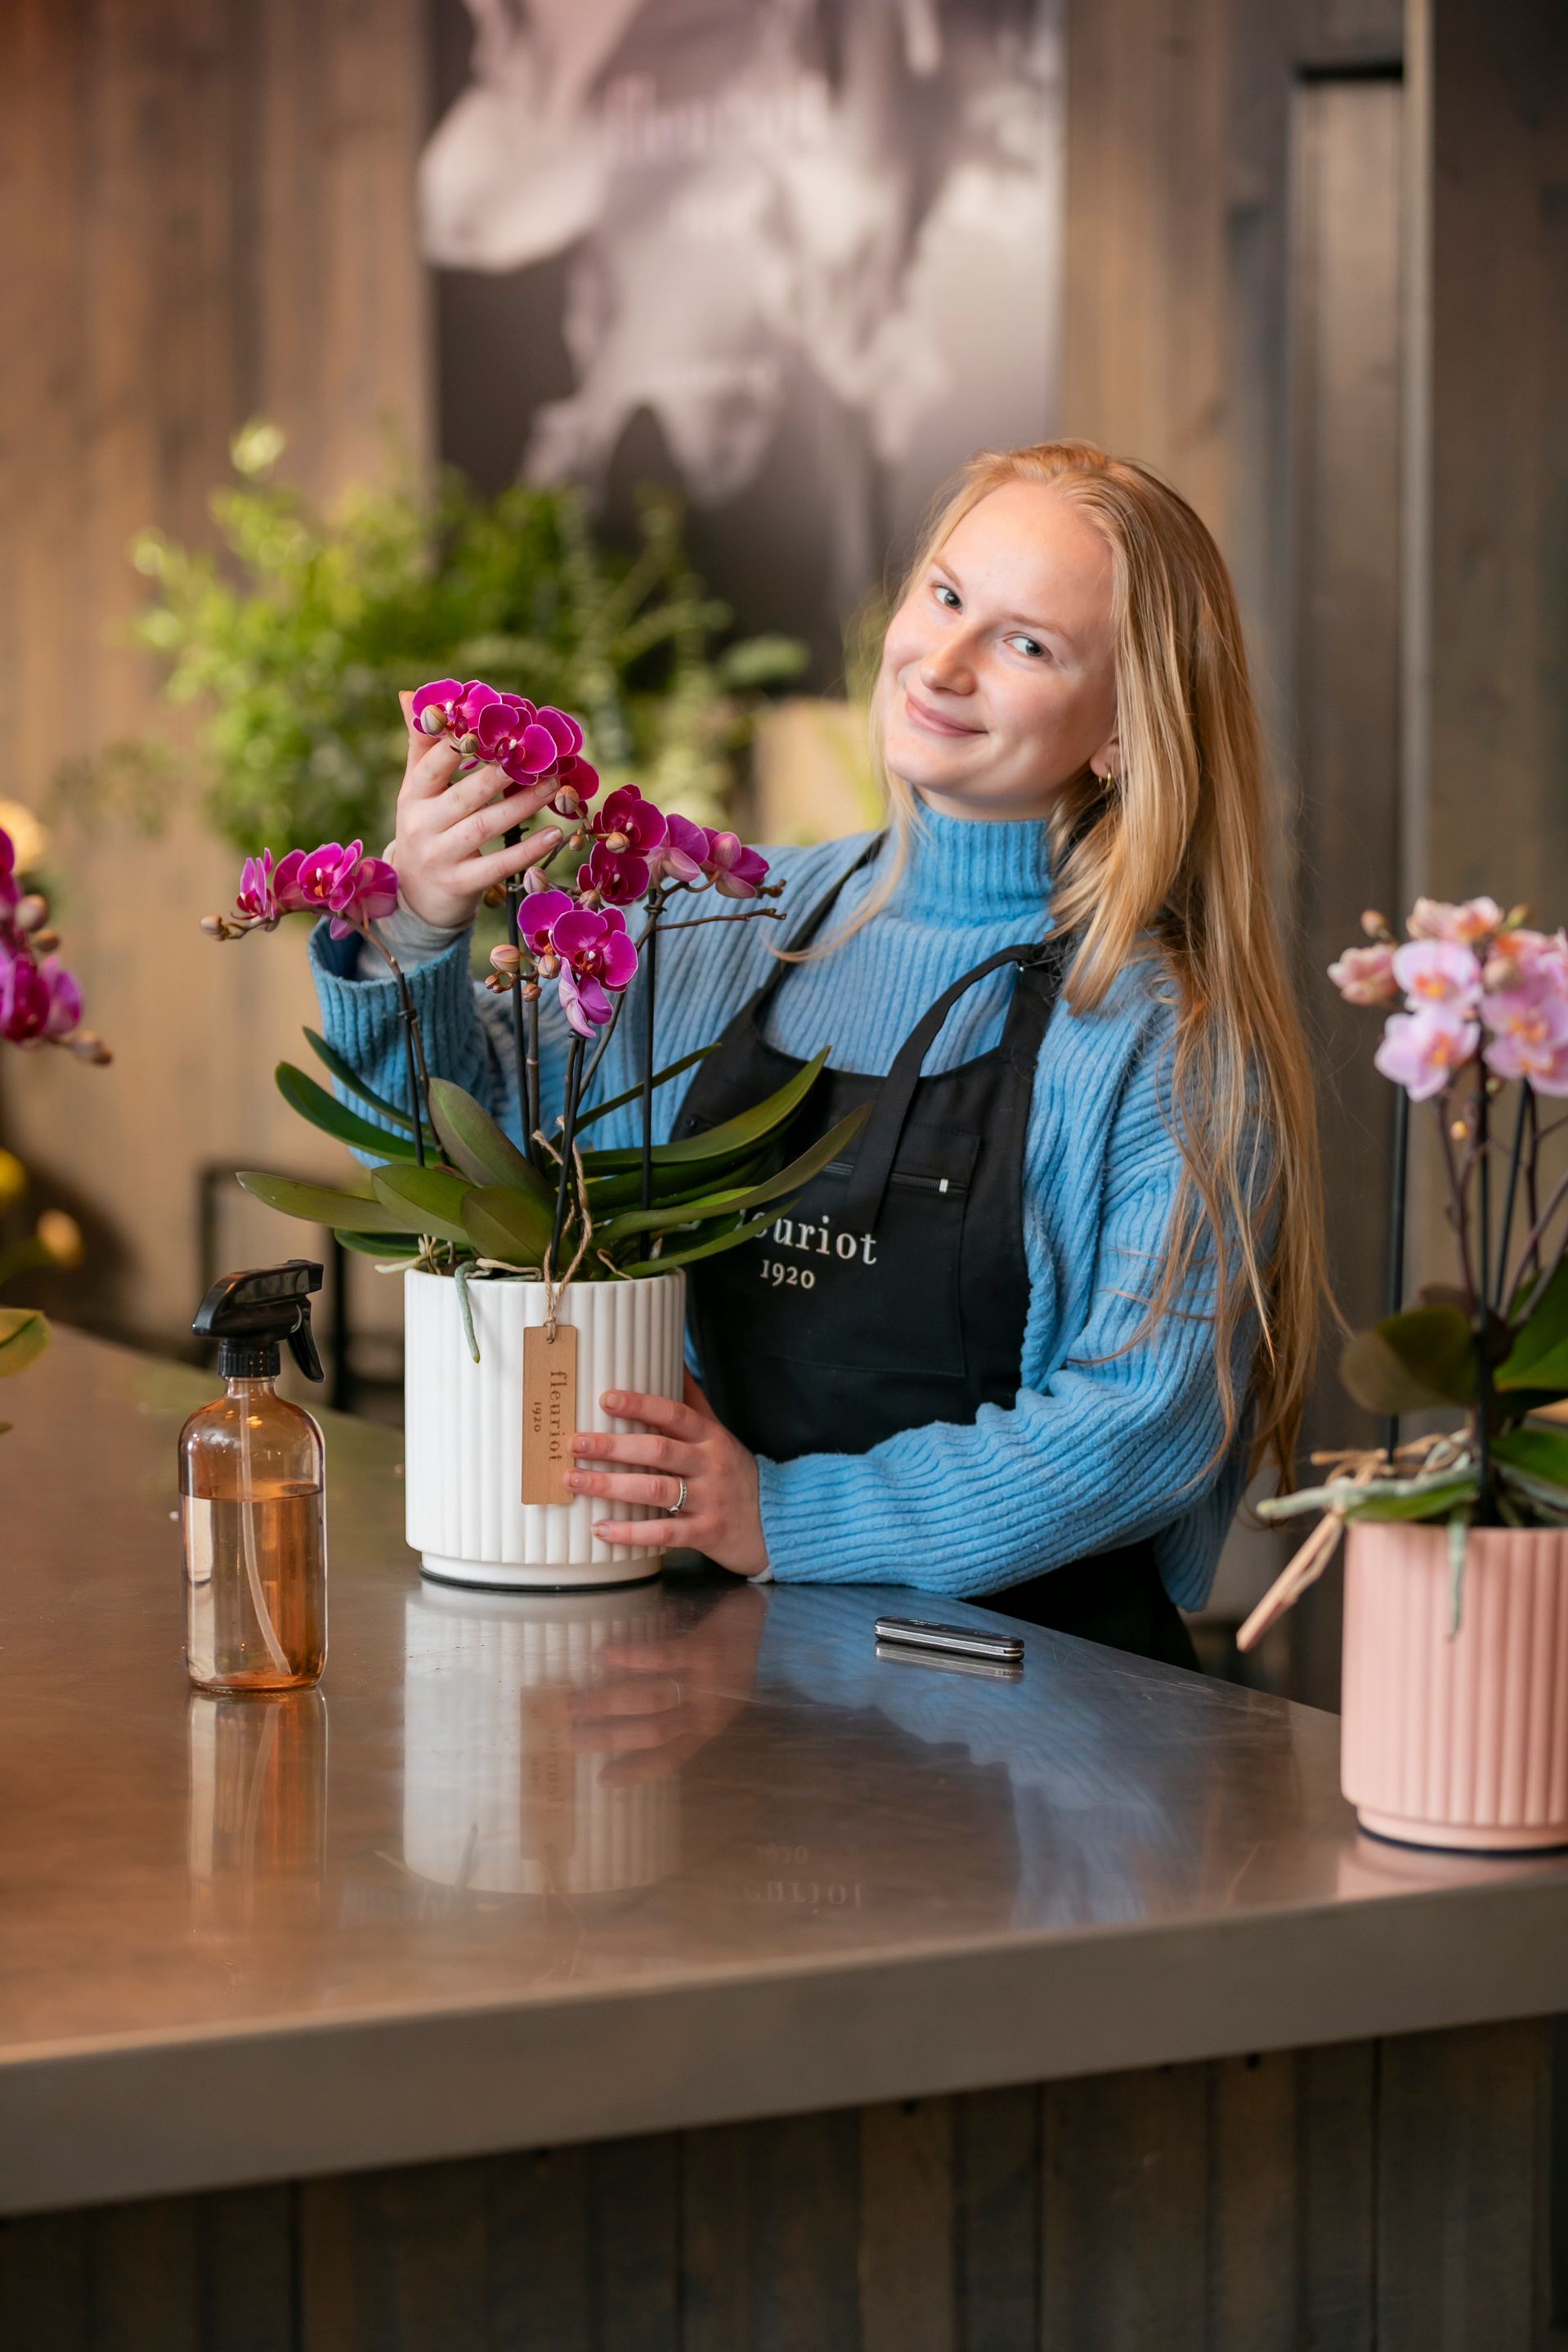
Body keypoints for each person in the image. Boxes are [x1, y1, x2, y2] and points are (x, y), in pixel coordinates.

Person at [310, 441, 1324, 1666]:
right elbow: (458, 1173)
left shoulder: (1165, 1031)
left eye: (1025, 643)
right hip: (715, 1676)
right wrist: (416, 923)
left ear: (1121, 729)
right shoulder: (714, 923)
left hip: (1037, 1707)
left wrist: (785, 1516)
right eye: (945, 596)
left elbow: (1141, 1425)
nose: (942, 663)